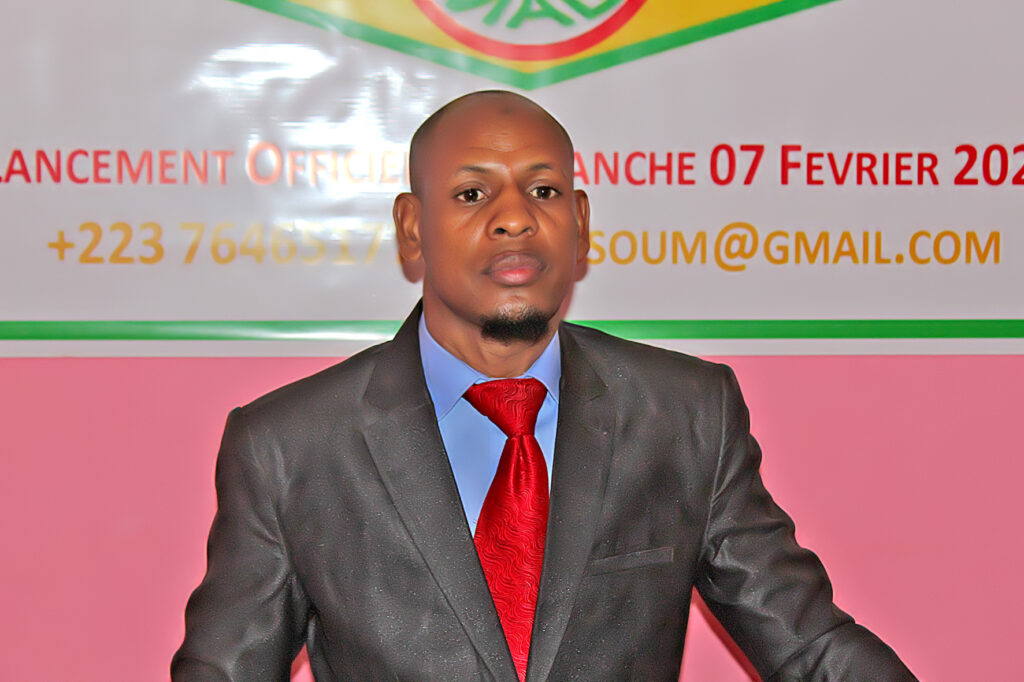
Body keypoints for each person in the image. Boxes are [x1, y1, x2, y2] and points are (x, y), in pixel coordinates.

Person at [172, 90, 915, 681]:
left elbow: (810, 648)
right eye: (472, 194)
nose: (515, 219)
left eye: (544, 190)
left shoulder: (686, 413)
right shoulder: (289, 447)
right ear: (412, 227)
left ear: (580, 222)